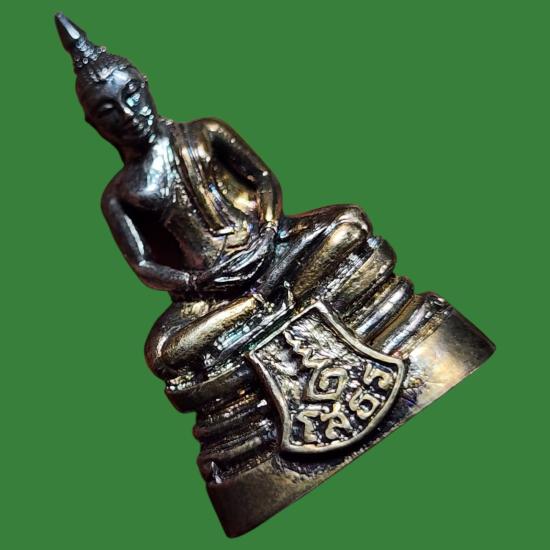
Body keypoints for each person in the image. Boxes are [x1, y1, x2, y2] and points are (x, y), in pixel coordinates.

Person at [55, 13, 373, 381]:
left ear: (145, 84)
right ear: (94, 125)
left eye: (131, 95)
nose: (128, 114)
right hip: (210, 288)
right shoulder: (119, 194)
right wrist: (194, 283)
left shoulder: (205, 132)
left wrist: (270, 229)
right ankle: (261, 303)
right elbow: (142, 264)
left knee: (350, 225)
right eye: (108, 112)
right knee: (162, 355)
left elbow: (262, 178)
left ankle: (262, 307)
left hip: (271, 247)